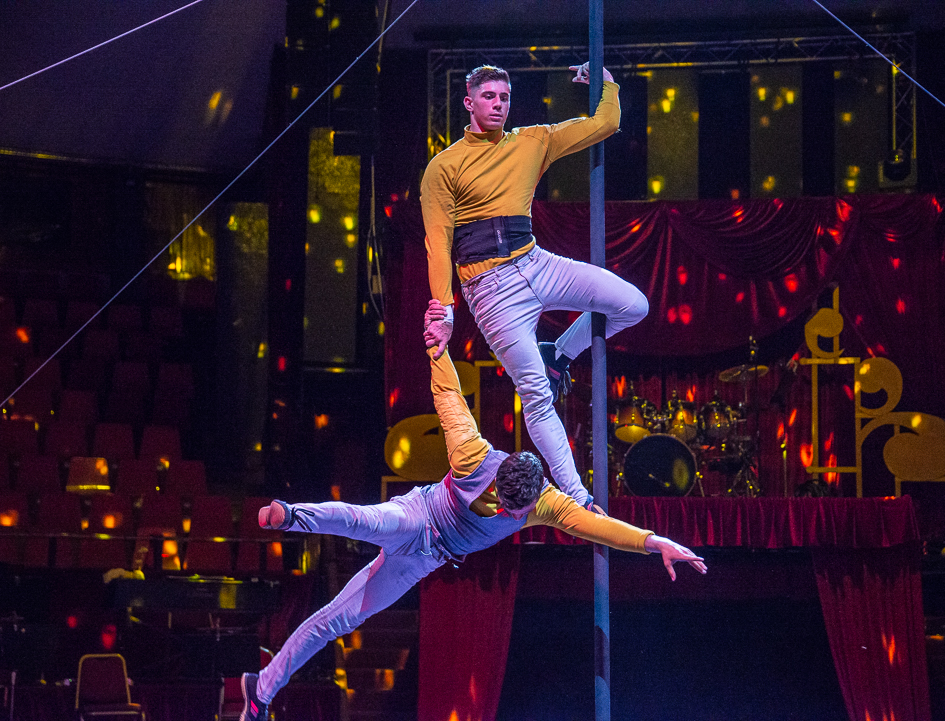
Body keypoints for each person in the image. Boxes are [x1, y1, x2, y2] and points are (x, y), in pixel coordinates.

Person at [238, 311, 705, 721]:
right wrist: (439, 346)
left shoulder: (547, 503)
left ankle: (260, 690)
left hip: (426, 559)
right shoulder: (472, 455)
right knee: (366, 521)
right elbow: (448, 393)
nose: (502, 510)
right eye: (501, 499)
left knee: (336, 621)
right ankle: (292, 515)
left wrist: (654, 542)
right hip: (417, 517)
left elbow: (599, 527)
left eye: (512, 511)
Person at [420, 62, 649, 511]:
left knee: (633, 305)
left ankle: (559, 354)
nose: (498, 105)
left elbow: (604, 124)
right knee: (536, 395)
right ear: (469, 103)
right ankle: (577, 495)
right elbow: (438, 244)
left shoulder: (532, 141)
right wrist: (444, 311)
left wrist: (606, 83)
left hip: (536, 263)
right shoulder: (443, 166)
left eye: (504, 97)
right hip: (490, 290)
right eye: (489, 96)